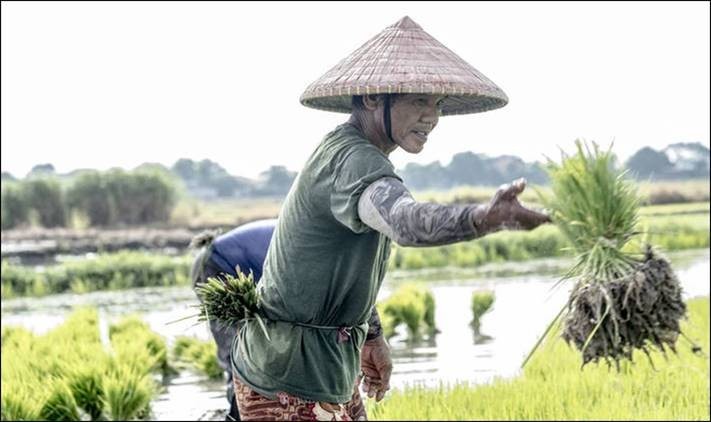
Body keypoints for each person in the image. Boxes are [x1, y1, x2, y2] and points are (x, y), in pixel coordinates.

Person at [230, 16, 551, 421]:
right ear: (370, 100)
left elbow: (345, 270)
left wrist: (372, 335)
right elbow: (405, 222)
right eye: (418, 100)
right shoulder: (351, 161)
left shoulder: (361, 156)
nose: (432, 116)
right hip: (287, 376)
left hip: (329, 366)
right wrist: (485, 217)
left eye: (437, 103)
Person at [190, 218, 277, 421]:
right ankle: (236, 413)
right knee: (236, 352)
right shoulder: (307, 243)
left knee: (257, 349)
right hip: (214, 265)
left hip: (235, 265)